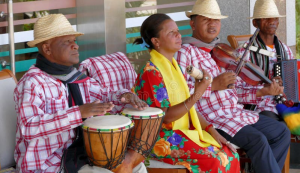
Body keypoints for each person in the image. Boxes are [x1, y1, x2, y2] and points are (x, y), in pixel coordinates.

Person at [13, 14, 147, 173]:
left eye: (74, 41)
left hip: (80, 154)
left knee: (136, 166)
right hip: (48, 164)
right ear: (47, 48)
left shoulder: (75, 77)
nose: (75, 46)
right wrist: (78, 112)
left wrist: (124, 96)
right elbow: (29, 127)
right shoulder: (32, 83)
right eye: (67, 42)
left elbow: (103, 94)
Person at [174, 0, 290, 173]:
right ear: (193, 23)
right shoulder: (185, 52)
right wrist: (213, 85)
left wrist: (264, 91)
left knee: (281, 131)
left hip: (234, 113)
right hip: (212, 118)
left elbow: (238, 90)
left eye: (216, 20)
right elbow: (180, 95)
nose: (212, 24)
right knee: (257, 140)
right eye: (206, 19)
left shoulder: (219, 52)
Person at [133, 13, 240, 173]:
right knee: (218, 160)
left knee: (230, 154)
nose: (178, 35)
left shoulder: (175, 66)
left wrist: (212, 130)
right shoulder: (151, 72)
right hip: (158, 138)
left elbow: (190, 109)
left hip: (179, 131)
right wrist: (197, 94)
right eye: (171, 33)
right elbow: (166, 117)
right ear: (156, 41)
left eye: (177, 30)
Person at [236, 0, 294, 119]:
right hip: (261, 107)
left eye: (275, 18)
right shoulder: (244, 53)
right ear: (255, 23)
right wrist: (264, 89)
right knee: (277, 127)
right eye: (266, 18)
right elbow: (235, 92)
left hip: (286, 104)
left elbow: (293, 83)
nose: (272, 21)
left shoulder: (286, 50)